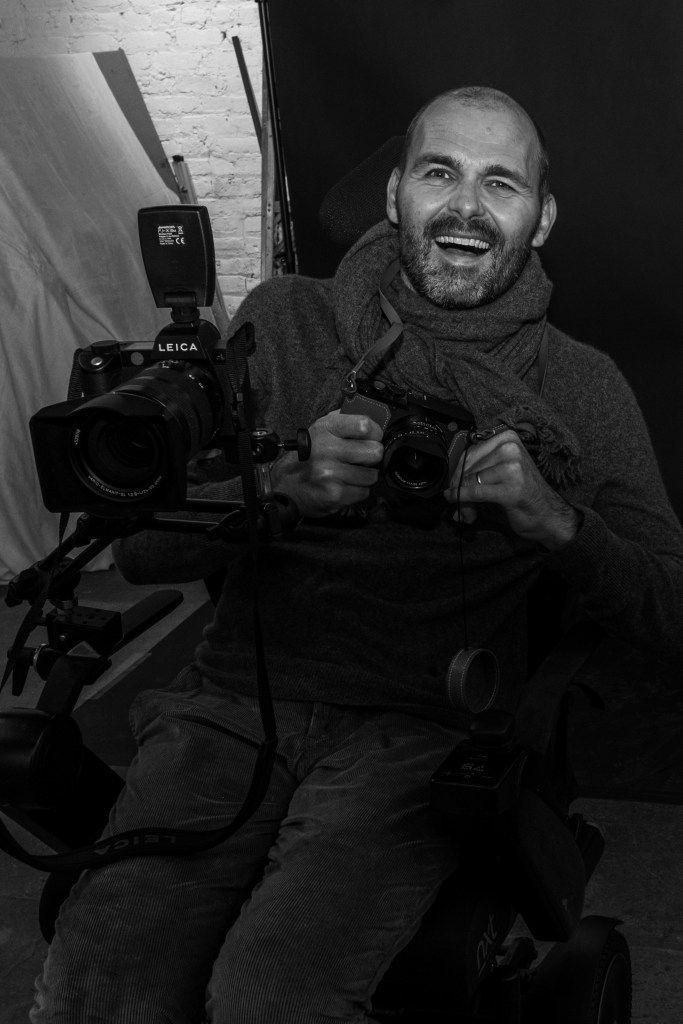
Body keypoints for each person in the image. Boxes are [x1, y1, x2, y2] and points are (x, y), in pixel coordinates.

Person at [31, 86, 683, 1023]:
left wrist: (556, 525)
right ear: (393, 197)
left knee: (269, 993)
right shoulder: (288, 322)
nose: (464, 205)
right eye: (438, 172)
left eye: (500, 183)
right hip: (233, 705)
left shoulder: (579, 388)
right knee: (99, 983)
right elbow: (136, 547)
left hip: (417, 726)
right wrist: (279, 490)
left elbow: (671, 606)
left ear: (540, 219)